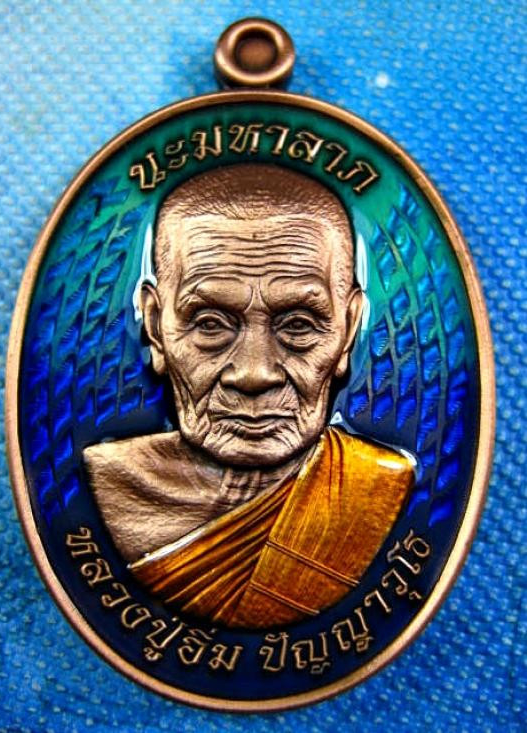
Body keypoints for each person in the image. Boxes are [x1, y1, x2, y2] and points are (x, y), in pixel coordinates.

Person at [83, 164, 414, 629]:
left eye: (298, 325)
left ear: (348, 329)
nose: (254, 373)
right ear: (155, 327)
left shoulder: (378, 488)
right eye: (210, 325)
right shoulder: (110, 484)